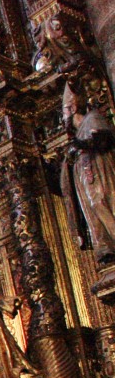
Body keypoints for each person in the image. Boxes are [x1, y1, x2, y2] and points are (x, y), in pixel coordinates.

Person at [61, 84, 115, 263]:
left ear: (73, 108)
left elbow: (104, 140)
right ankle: (105, 247)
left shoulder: (92, 118)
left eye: (65, 112)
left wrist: (81, 145)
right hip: (86, 179)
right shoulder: (77, 134)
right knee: (92, 210)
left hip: (100, 171)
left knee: (102, 202)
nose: (63, 118)